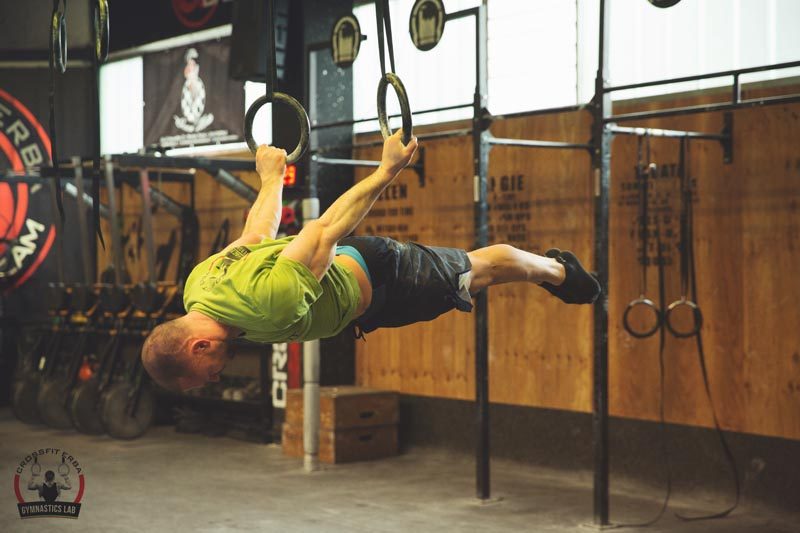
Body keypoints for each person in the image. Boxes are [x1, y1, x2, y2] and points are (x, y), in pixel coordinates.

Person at [141, 131, 601, 392]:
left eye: (205, 376)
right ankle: (553, 271)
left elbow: (322, 229)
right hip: (366, 307)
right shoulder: (198, 288)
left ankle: (559, 272)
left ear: (197, 348)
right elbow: (254, 235)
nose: (213, 379)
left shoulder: (267, 305)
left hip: (384, 274)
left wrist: (386, 171)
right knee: (471, 278)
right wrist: (272, 178)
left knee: (478, 272)